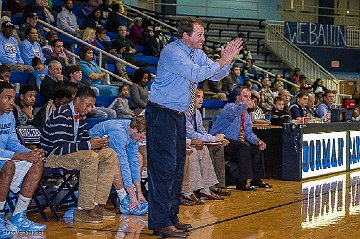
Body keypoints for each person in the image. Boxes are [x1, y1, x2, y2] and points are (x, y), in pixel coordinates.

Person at [145, 17, 242, 238]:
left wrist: (225, 61)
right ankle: (160, 222)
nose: (203, 38)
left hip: (179, 115)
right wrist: (221, 60)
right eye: (199, 34)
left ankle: (171, 218)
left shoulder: (196, 53)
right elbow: (196, 74)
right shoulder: (172, 52)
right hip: (162, 113)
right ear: (185, 35)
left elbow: (215, 74)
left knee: (178, 168)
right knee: (164, 169)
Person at [40, 86, 117, 223]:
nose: (90, 109)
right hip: (52, 157)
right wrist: (89, 145)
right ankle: (83, 209)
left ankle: (98, 205)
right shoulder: (61, 114)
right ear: (77, 100)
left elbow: (84, 140)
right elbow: (59, 148)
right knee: (90, 157)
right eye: (88, 105)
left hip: (72, 154)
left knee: (109, 154)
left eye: (92, 105)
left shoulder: (80, 116)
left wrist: (97, 144)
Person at [0, 81, 46, 237]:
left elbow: (13, 142)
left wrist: (31, 153)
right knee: (9, 165)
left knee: (37, 163)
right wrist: (23, 155)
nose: (12, 102)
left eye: (13, 98)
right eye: (7, 98)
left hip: (6, 157)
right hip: (5, 160)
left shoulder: (9, 116)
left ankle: (18, 216)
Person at [210, 87, 271, 191]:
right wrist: (246, 105)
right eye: (245, 96)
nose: (248, 99)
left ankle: (256, 179)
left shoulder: (246, 115)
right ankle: (241, 182)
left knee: (257, 147)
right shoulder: (229, 107)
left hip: (234, 143)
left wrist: (257, 141)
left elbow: (248, 133)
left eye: (250, 97)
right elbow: (236, 112)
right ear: (238, 97)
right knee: (243, 146)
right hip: (221, 140)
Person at [89, 116, 148, 215]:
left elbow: (134, 161)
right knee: (116, 161)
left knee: (138, 158)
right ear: (135, 130)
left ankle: (132, 195)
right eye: (141, 137)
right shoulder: (118, 132)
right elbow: (123, 163)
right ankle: (123, 198)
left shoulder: (132, 132)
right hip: (91, 151)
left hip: (107, 151)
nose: (141, 141)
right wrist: (132, 193)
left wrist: (138, 191)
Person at [184, 88, 230, 198]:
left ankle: (214, 186)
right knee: (201, 149)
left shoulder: (198, 113)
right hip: (186, 142)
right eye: (198, 97)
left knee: (218, 147)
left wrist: (216, 139)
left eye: (202, 97)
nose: (201, 100)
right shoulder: (185, 112)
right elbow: (191, 134)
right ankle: (195, 189)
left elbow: (202, 132)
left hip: (194, 141)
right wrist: (214, 138)